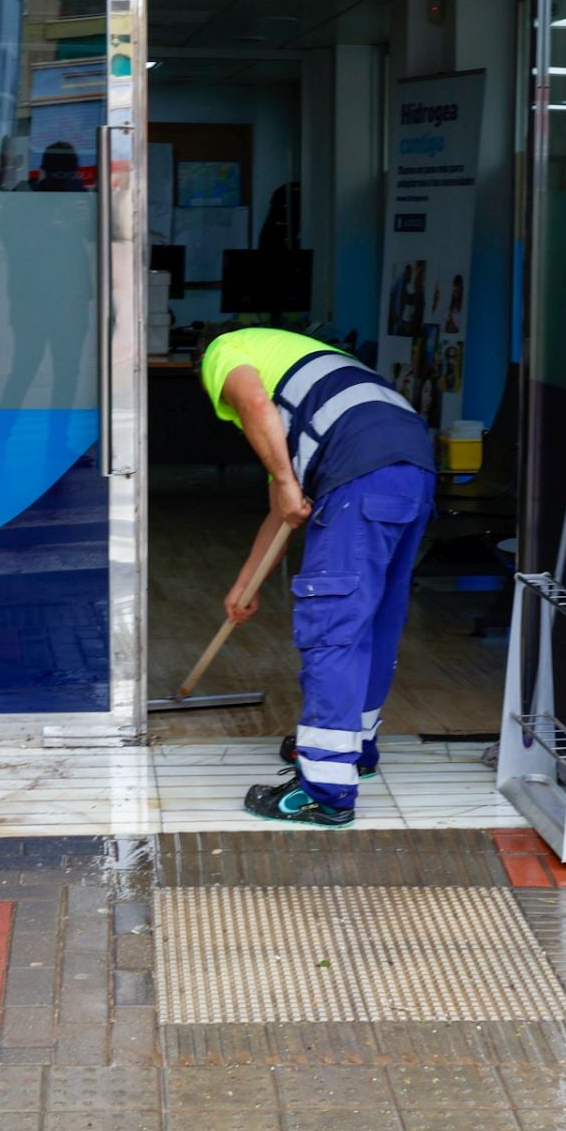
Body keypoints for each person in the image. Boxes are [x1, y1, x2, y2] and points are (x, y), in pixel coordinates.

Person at [198, 327, 437, 826]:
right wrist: (246, 585)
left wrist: (286, 481)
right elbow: (284, 513)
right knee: (374, 621)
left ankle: (325, 790)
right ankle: (357, 750)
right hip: (412, 465)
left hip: (359, 471)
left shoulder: (224, 350)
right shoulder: (317, 375)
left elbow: (254, 402)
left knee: (334, 628)